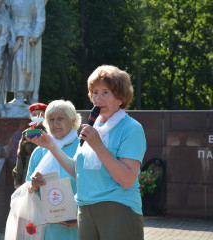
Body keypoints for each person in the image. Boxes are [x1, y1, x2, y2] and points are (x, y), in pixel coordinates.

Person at [28, 65, 146, 240]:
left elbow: (127, 179)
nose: (98, 98)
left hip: (118, 208)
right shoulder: (93, 127)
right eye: (95, 92)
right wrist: (52, 146)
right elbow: (78, 170)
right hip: (85, 210)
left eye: (105, 92)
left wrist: (98, 145)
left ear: (120, 98)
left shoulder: (131, 128)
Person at [25, 100, 81, 240]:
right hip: (46, 228)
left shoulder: (84, 147)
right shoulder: (39, 152)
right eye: (51, 119)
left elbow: (94, 186)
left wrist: (80, 217)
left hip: (77, 226)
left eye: (60, 119)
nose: (55, 124)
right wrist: (33, 185)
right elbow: (27, 188)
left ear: (73, 121)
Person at [4, 0, 47, 105]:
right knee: (11, 67)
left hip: (28, 35)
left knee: (23, 64)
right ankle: (15, 96)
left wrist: (36, 34)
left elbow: (40, 18)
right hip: (12, 35)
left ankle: (22, 95)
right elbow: (4, 15)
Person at [12, 102, 47, 189]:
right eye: (34, 114)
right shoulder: (26, 134)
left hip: (47, 173)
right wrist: (18, 182)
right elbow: (20, 158)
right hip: (28, 175)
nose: (37, 117)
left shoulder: (51, 132)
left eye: (40, 114)